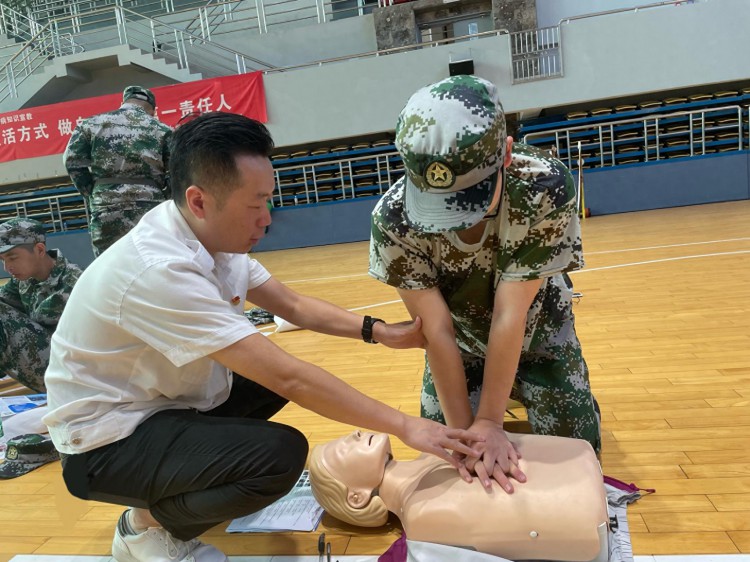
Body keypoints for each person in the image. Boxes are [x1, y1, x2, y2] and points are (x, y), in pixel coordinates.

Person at [43, 112, 481, 562]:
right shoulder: (159, 269)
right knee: (278, 458)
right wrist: (408, 426)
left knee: (259, 387)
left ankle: (172, 488)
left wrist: (379, 331)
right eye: (255, 206)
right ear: (199, 201)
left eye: (269, 200)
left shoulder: (205, 234)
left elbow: (290, 306)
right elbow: (290, 377)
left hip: (156, 401)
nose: (267, 219)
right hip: (102, 445)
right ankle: (143, 526)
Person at [369, 75, 600, 493]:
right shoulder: (393, 219)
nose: (459, 219)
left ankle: (555, 391)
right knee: (443, 457)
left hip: (540, 331)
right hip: (459, 342)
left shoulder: (544, 187)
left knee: (578, 457)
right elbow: (435, 329)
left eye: (470, 198)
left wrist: (491, 420)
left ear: (507, 154)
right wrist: (467, 436)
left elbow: (512, 311)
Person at [309, 430, 608, 562]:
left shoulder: (426, 458)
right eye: (343, 449)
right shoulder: (421, 515)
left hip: (578, 476)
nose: (356, 434)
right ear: (357, 498)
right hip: (584, 511)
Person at [63, 85, 173, 257]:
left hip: (106, 205)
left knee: (109, 267)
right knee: (153, 261)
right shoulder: (164, 130)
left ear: (123, 102)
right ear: (152, 110)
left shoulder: (91, 124)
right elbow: (176, 170)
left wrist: (92, 192)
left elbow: (71, 161)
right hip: (150, 207)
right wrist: (164, 195)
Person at [0, 217, 82, 393]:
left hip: (69, 374)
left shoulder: (75, 283)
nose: (7, 267)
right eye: (2, 260)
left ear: (39, 249)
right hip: (41, 364)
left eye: (12, 258)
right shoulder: (23, 280)